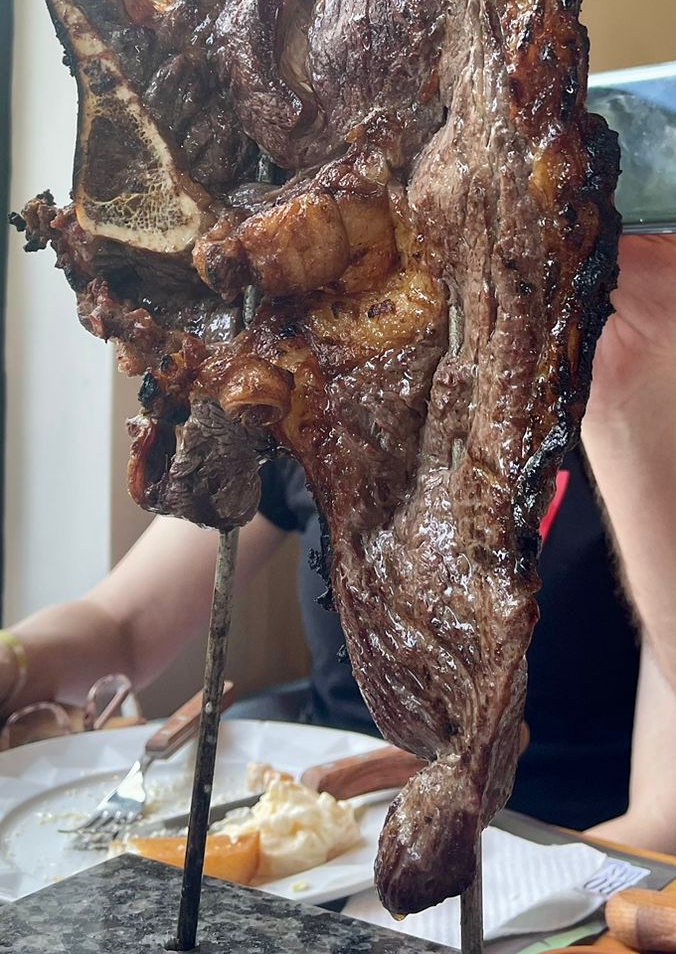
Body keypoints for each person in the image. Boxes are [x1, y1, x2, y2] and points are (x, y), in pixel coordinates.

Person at [0, 236, 674, 851]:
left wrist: (621, 388)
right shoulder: (329, 406)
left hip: (551, 864)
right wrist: (16, 662)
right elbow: (121, 626)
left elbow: (659, 822)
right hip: (313, 844)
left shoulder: (640, 415)